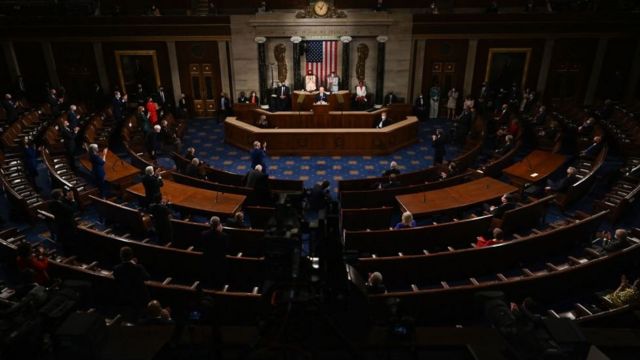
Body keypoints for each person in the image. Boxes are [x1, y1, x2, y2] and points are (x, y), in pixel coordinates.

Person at [113, 246, 150, 320]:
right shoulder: (138, 267)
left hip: (124, 296)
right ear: (131, 256)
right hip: (139, 298)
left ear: (121, 256)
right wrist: (134, 263)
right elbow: (147, 277)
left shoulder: (116, 268)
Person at [197, 216, 229, 288]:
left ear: (210, 224)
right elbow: (226, 249)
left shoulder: (204, 234)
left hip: (206, 261)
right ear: (219, 224)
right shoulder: (224, 236)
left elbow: (201, 246)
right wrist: (220, 232)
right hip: (220, 262)